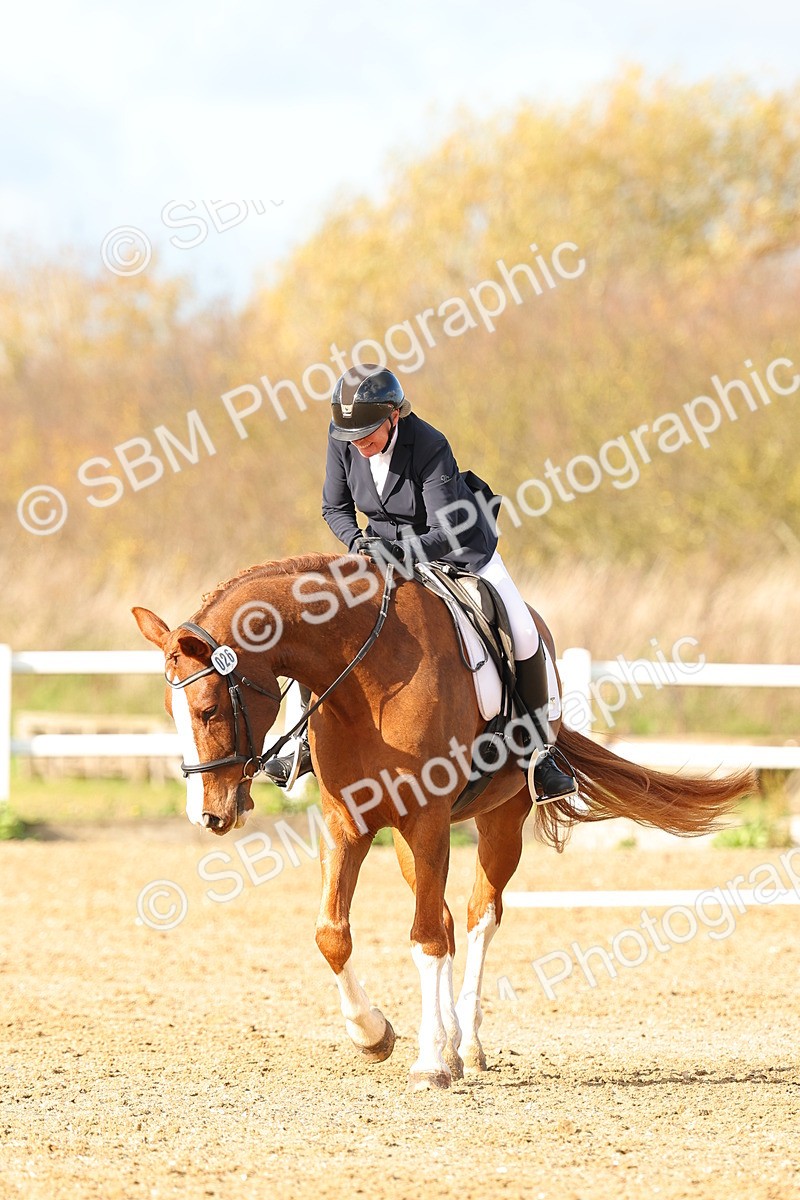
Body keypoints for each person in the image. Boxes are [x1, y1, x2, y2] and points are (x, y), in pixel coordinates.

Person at [261, 365, 577, 803]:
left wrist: (393, 552)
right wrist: (358, 542)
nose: (359, 444)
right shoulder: (344, 439)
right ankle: (300, 742)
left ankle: (540, 754)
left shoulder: (429, 444)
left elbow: (446, 532)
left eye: (367, 433)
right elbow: (334, 507)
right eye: (352, 436)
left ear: (394, 415)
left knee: (522, 632)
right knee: (321, 618)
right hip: (381, 551)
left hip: (460, 551)